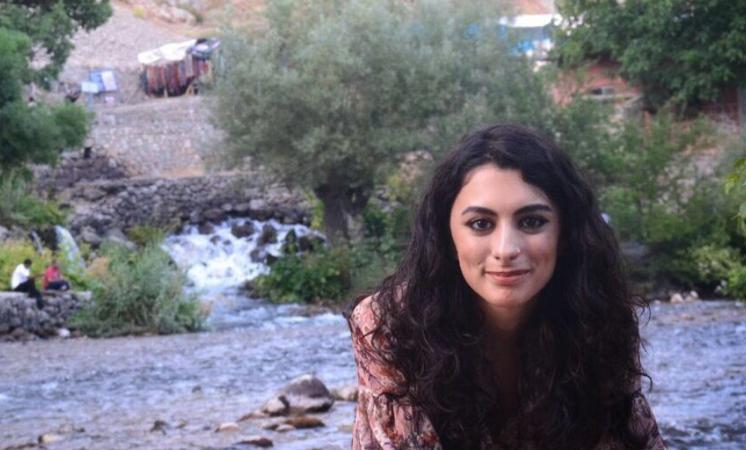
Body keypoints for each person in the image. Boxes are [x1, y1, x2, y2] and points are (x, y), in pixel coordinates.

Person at [347, 125, 666, 449]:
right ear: (447, 237)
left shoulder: (602, 318)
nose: (506, 249)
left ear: (565, 234)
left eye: (532, 222)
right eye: (481, 224)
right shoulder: (388, 325)